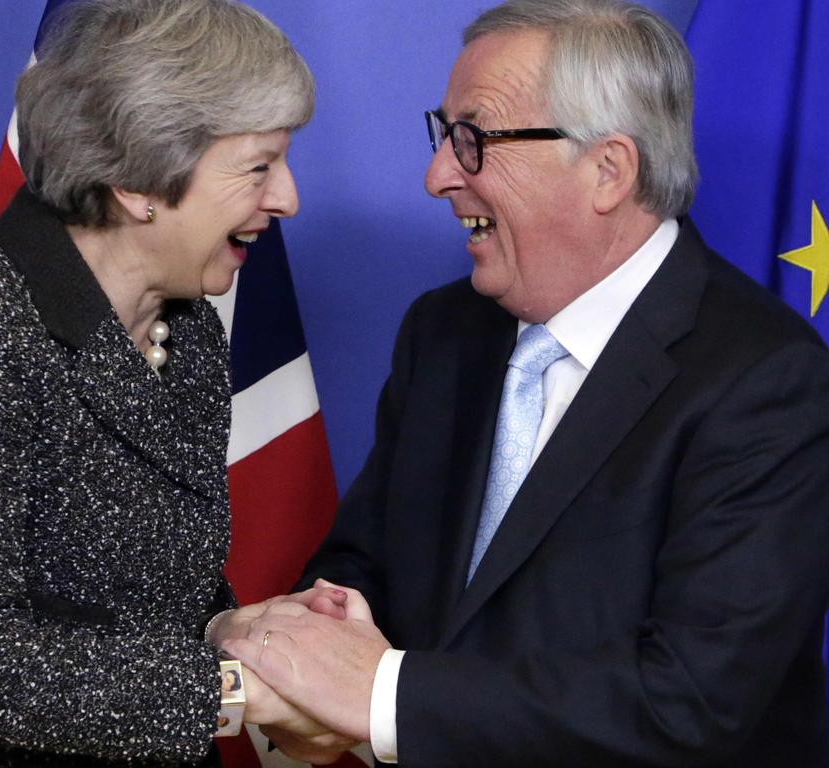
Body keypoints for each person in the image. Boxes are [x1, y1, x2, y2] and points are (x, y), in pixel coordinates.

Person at [221, 0, 829, 765]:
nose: (438, 174)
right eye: (444, 135)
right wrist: (324, 627)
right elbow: (363, 559)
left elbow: (691, 703)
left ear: (607, 170)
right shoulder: (441, 335)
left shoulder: (768, 380)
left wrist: (379, 696)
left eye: (474, 139)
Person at [0, 1, 345, 766]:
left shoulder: (186, 325)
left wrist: (236, 630)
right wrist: (235, 693)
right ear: (137, 182)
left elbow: (133, 589)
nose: (287, 197)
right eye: (259, 166)